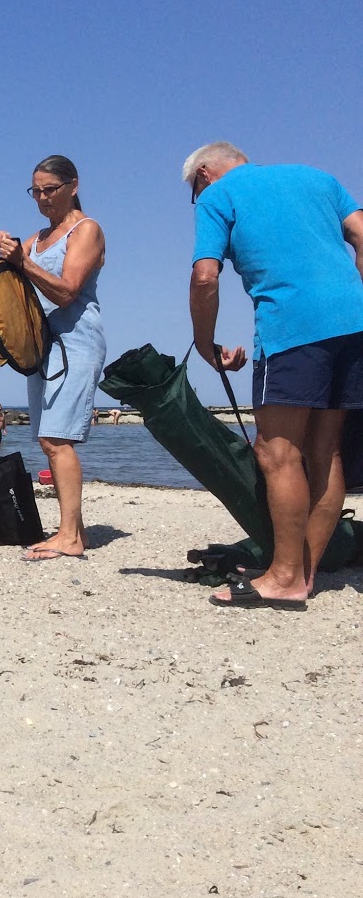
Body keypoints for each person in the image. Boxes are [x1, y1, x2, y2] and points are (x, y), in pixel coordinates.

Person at [184, 140, 363, 608]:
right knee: (326, 452)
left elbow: (205, 276)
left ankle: (285, 576)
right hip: (354, 323)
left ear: (205, 173)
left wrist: (206, 344)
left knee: (277, 452)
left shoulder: (217, 196)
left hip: (292, 326)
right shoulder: (317, 177)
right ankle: (301, 573)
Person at [0, 154, 106, 561]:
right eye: (35, 191)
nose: (42, 198)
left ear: (73, 185)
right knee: (48, 439)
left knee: (57, 439)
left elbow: (67, 290)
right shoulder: (34, 239)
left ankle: (69, 537)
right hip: (41, 348)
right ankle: (75, 531)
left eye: (49, 190)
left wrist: (23, 262)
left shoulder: (87, 231)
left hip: (77, 342)